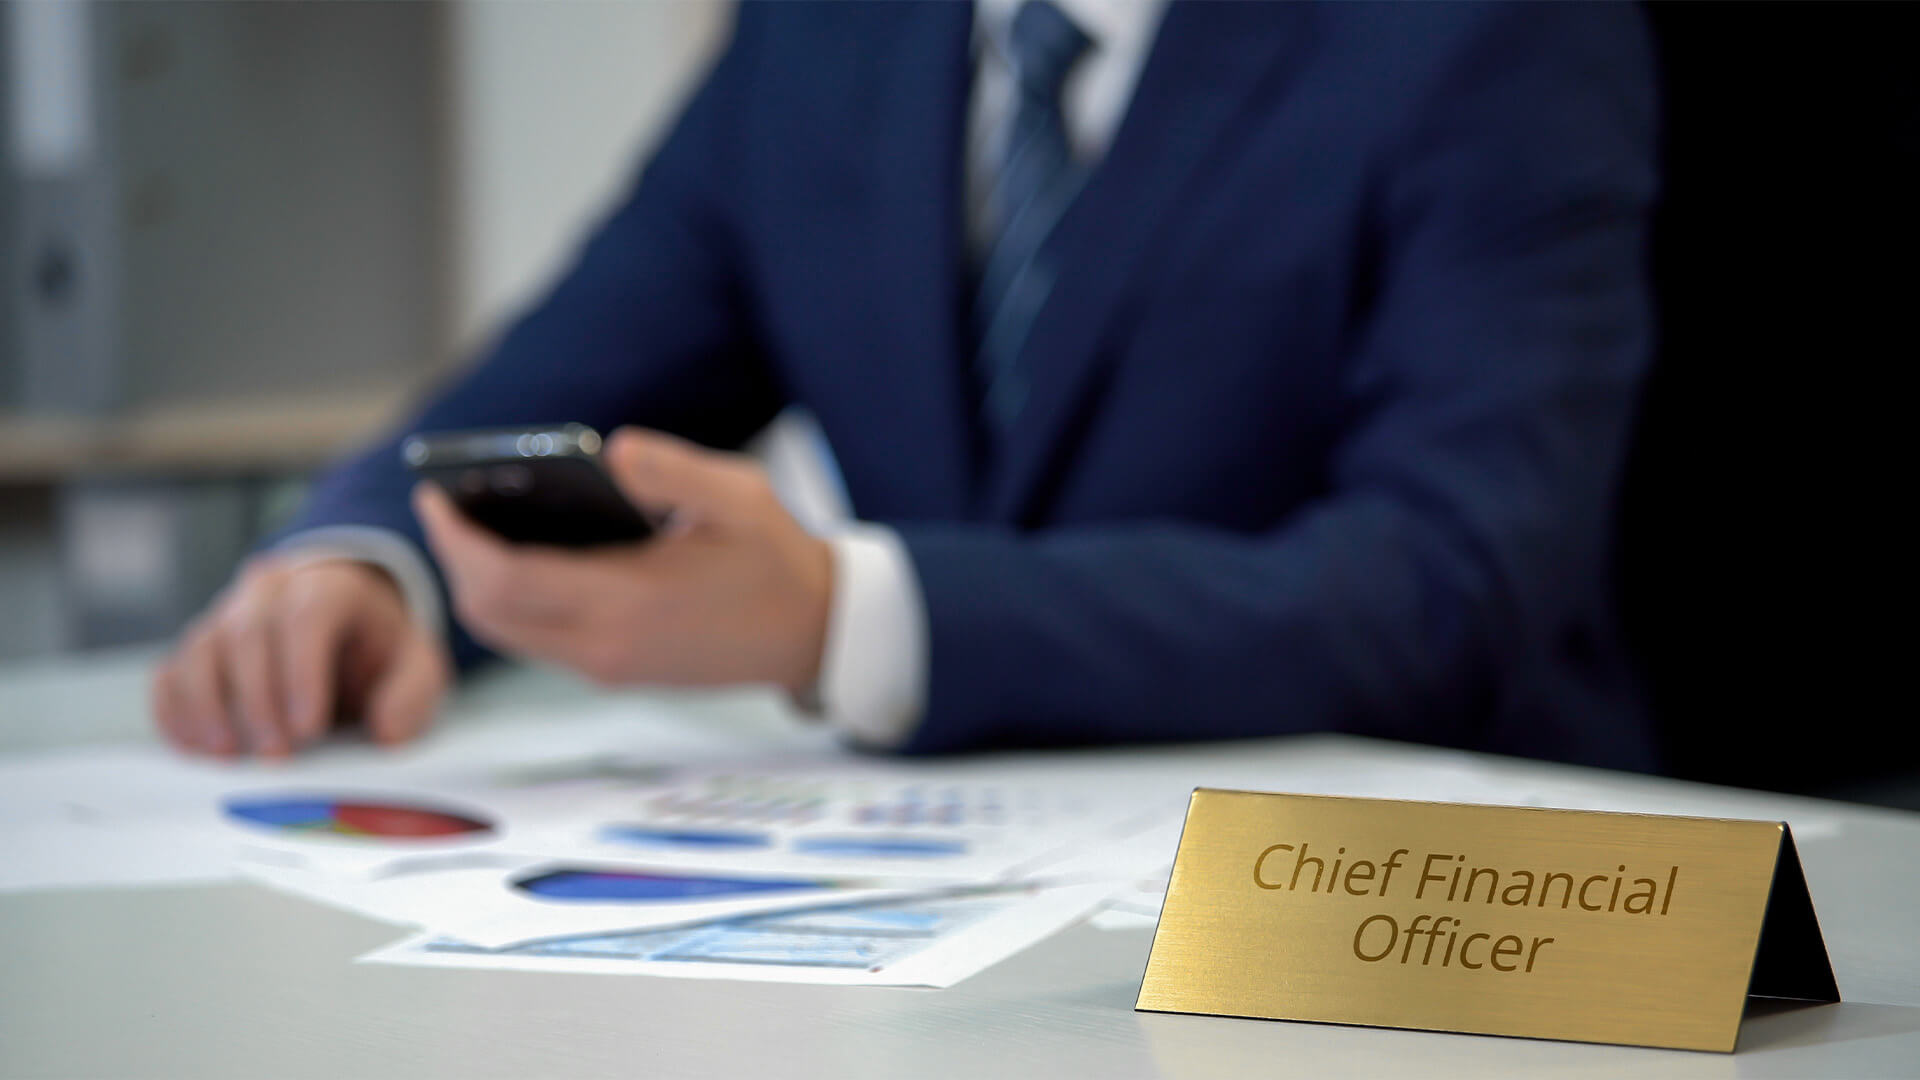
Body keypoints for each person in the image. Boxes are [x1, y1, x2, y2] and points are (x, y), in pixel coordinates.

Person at [150, 1, 1660, 771]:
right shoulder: (831, 29)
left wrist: (851, 615)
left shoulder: (1486, 31)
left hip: (1421, 918)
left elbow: (1459, 581)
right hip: (962, 925)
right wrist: (368, 561)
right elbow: (555, 383)